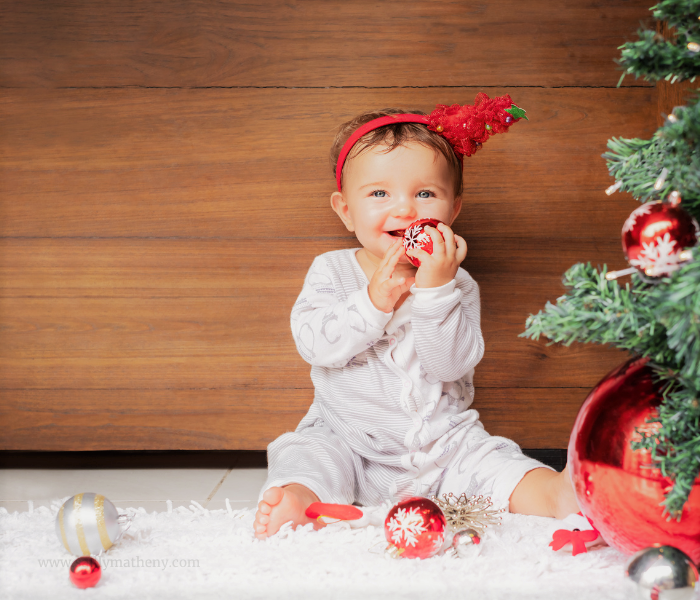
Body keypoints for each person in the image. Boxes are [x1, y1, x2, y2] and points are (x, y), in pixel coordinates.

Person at [254, 96, 580, 539]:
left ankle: (556, 493)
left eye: (425, 193)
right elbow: (315, 345)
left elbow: (450, 365)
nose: (406, 209)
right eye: (379, 193)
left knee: (494, 460)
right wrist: (372, 302)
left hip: (443, 446)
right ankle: (300, 498)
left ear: (453, 209)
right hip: (349, 440)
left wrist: (436, 289)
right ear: (346, 209)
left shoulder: (457, 285)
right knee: (305, 451)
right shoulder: (331, 271)